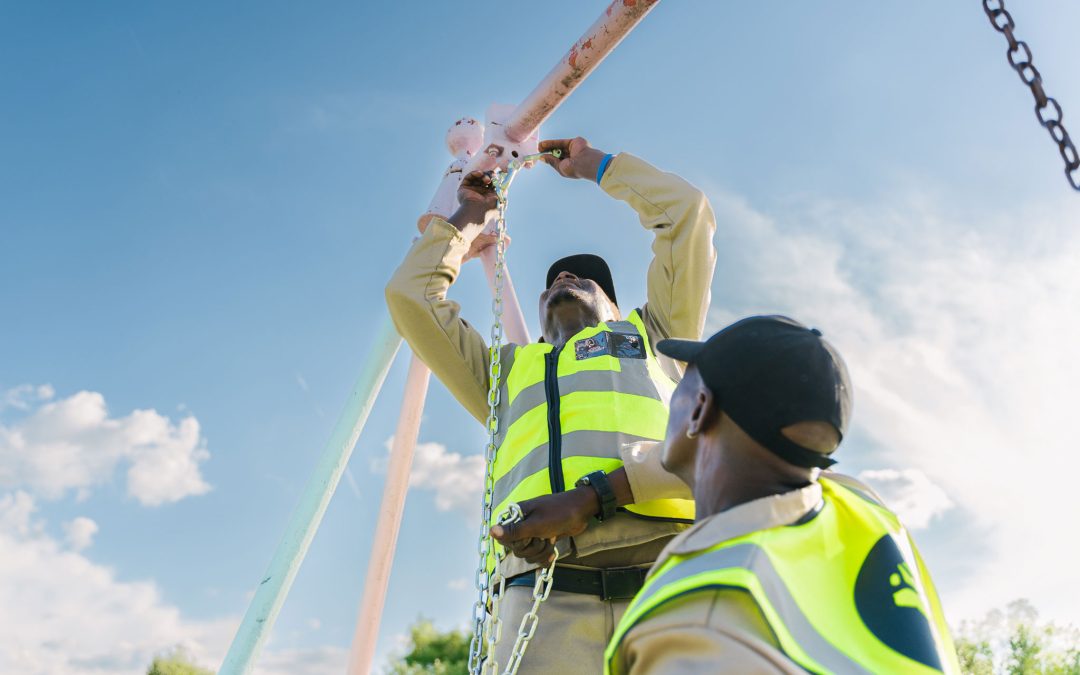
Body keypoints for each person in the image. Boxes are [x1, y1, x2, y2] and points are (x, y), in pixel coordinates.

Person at [385, 136, 717, 673]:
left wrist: (596, 166)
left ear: (614, 304)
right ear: (540, 315)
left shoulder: (656, 333)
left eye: (588, 277)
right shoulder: (504, 374)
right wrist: (468, 217)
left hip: (669, 572)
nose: (565, 277)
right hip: (541, 597)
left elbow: (687, 215)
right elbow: (412, 297)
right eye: (554, 280)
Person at [496, 316, 961, 673]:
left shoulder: (697, 611)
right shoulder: (865, 511)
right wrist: (593, 496)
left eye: (683, 385)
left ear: (699, 410)